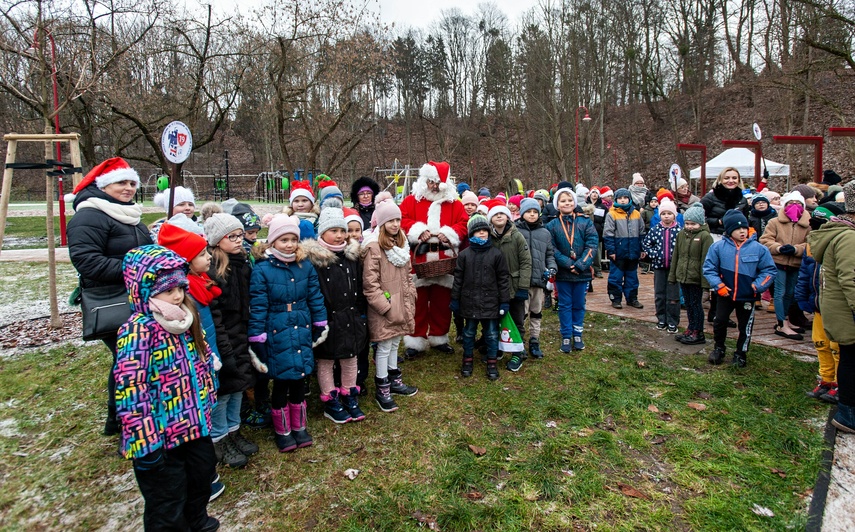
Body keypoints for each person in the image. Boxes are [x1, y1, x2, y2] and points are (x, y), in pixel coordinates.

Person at [114, 245, 219, 532]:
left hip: (195, 424)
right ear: (143, 291)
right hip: (160, 435)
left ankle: (197, 518)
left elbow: (202, 361)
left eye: (180, 288)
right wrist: (144, 441)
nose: (176, 295)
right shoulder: (139, 330)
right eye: (167, 290)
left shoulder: (185, 319)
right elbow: (131, 388)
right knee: (167, 497)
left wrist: (208, 399)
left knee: (201, 477)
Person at [66, 157, 153, 436]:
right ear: (103, 185)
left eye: (132, 183)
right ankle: (125, 423)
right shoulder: (89, 215)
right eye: (121, 183)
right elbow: (87, 261)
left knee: (134, 359)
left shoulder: (129, 214)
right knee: (129, 361)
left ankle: (123, 418)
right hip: (111, 299)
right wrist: (136, 268)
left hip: (136, 297)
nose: (128, 188)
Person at [248, 214, 327, 451]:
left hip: (301, 326)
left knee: (300, 380)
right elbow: (258, 305)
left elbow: (315, 296)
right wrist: (257, 336)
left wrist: (320, 322)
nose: (290, 244)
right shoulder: (262, 270)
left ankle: (299, 426)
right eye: (284, 240)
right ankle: (283, 429)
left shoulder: (305, 266)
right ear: (272, 242)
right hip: (277, 330)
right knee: (282, 381)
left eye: (293, 239)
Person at [302, 207, 369, 423]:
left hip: (350, 316)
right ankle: (330, 400)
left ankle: (349, 394)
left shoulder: (351, 255)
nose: (339, 235)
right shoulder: (315, 260)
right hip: (327, 318)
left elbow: (358, 285)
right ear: (322, 233)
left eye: (342, 231)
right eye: (333, 231)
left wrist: (359, 314)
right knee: (326, 359)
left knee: (350, 357)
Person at [399, 161, 469, 358]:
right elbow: (402, 219)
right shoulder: (411, 201)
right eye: (430, 182)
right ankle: (415, 339)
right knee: (417, 302)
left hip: (444, 260)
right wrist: (418, 230)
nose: (433, 186)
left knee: (441, 302)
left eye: (436, 183)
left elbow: (464, 223)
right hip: (419, 261)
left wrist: (451, 233)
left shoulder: (454, 204)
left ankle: (439, 336)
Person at [204, 213, 258, 467]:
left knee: (239, 386)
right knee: (224, 390)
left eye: (240, 235)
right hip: (224, 335)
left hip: (241, 332)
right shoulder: (214, 270)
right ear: (217, 241)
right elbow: (215, 313)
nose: (239, 240)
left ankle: (234, 430)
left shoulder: (242, 262)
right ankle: (219, 439)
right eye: (232, 237)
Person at [807, 181, 855, 433]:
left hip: (840, 308)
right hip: (847, 311)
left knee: (848, 358)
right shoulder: (849, 237)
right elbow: (851, 278)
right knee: (850, 359)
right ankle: (848, 414)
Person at [362, 198, 418, 411]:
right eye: (390, 220)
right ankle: (382, 386)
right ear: (382, 223)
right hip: (384, 307)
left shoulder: (402, 245)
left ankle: (395, 380)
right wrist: (385, 307)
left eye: (398, 219)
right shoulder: (373, 248)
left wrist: (411, 295)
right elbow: (370, 284)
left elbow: (408, 275)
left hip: (401, 303)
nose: (395, 224)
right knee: (384, 346)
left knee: (395, 342)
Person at [703, 210, 776, 367]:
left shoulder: (759, 249)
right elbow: (709, 269)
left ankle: (741, 353)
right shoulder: (718, 248)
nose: (742, 231)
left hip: (747, 295)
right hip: (725, 294)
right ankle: (719, 348)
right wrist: (718, 286)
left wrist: (757, 286)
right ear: (729, 230)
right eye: (737, 229)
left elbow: (769, 270)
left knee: (745, 326)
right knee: (720, 321)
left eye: (744, 227)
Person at [451, 214, 510, 380]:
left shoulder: (496, 254)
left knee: (491, 333)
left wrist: (504, 301)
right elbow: (458, 279)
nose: (482, 233)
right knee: (469, 333)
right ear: (472, 234)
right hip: (469, 302)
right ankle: (467, 359)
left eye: (485, 230)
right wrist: (455, 299)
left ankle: (492, 362)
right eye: (478, 231)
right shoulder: (464, 255)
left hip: (491, 303)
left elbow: (503, 280)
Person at [798, 204, 845, 403]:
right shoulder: (812, 245)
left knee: (836, 346)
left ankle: (840, 382)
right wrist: (802, 295)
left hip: (834, 306)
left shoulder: (839, 245)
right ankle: (825, 378)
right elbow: (805, 273)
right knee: (820, 343)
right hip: (817, 302)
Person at [546, 186, 598, 352]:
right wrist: (568, 263)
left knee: (579, 304)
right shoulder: (552, 225)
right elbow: (551, 249)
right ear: (557, 204)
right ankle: (566, 335)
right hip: (563, 273)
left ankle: (578, 333)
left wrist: (581, 264)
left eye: (569, 200)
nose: (567, 203)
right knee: (564, 304)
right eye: (563, 201)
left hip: (582, 273)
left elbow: (592, 244)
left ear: (574, 202)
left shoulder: (585, 221)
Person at [485, 199, 532, 371]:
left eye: (502, 214)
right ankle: (498, 347)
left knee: (517, 319)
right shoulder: (488, 238)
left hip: (514, 285)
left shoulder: (516, 236)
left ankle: (518, 352)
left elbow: (526, 262)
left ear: (507, 217)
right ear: (490, 219)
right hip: (494, 287)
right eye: (495, 214)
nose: (499, 216)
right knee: (495, 319)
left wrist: (523, 287)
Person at [759, 190, 811, 340]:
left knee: (790, 293)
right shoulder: (774, 222)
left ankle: (786, 319)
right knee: (779, 293)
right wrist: (778, 248)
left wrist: (796, 249)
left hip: (795, 262)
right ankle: (781, 323)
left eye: (798, 204)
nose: (794, 206)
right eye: (790, 203)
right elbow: (765, 240)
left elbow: (810, 242)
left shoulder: (807, 225)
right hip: (778, 262)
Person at [515, 197, 557, 359]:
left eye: (535, 212)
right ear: (522, 213)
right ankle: (520, 342)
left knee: (537, 311)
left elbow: (549, 254)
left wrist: (552, 268)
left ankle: (534, 340)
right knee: (521, 313)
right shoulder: (515, 231)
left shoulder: (544, 233)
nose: (532, 215)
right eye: (528, 212)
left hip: (539, 280)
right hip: (522, 281)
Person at [669, 204, 713, 345]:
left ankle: (698, 331)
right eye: (687, 223)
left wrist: (705, 282)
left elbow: (706, 260)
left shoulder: (705, 237)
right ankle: (690, 327)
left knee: (696, 304)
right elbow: (676, 255)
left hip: (696, 278)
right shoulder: (681, 234)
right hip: (684, 275)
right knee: (688, 304)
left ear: (700, 223)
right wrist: (673, 275)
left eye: (693, 224)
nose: (689, 226)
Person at [642, 198, 681, 333]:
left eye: (669, 213)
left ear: (674, 215)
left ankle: (673, 321)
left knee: (673, 296)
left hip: (673, 269)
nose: (666, 216)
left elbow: (682, 248)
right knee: (660, 294)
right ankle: (661, 318)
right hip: (658, 266)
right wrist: (654, 254)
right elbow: (646, 244)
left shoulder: (679, 231)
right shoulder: (655, 229)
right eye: (663, 213)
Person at [604, 188, 646, 309]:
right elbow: (608, 234)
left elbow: (642, 232)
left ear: (629, 199)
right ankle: (615, 299)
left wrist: (642, 249)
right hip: (618, 252)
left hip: (633, 251)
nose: (622, 201)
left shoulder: (637, 214)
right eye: (620, 198)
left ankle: (632, 298)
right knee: (615, 277)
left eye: (625, 198)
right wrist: (611, 250)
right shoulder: (612, 214)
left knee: (632, 277)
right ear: (616, 200)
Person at [587, 187, 607, 278]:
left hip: (598, 232)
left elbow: (604, 220)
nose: (594, 194)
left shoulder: (602, 207)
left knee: (598, 252)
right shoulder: (585, 205)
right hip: (587, 233)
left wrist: (601, 228)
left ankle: (597, 269)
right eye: (593, 192)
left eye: (596, 193)